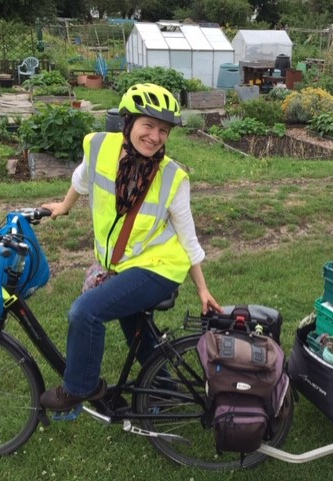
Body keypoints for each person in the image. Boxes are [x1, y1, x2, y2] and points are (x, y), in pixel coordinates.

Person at [40, 83, 222, 412]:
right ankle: (165, 390)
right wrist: (63, 207)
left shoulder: (172, 177)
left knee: (85, 312)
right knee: (138, 335)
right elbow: (81, 181)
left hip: (159, 268)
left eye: (163, 131)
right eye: (148, 125)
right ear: (128, 123)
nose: (154, 137)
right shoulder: (99, 148)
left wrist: (203, 289)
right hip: (128, 265)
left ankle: (81, 388)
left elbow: (187, 237)